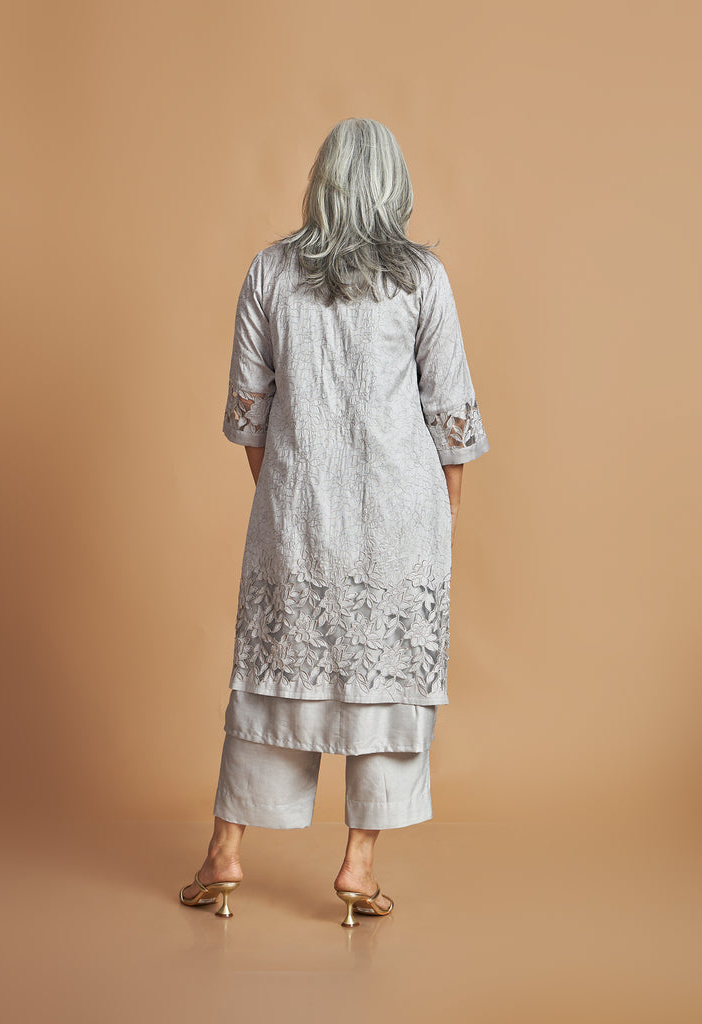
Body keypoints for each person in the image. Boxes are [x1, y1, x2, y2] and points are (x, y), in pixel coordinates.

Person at [180, 117, 491, 926]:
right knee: (387, 688)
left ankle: (224, 854)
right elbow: (450, 413)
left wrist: (286, 494)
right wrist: (445, 516)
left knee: (273, 678)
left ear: (320, 182)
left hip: (298, 512)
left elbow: (250, 415)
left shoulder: (270, 271)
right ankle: (358, 866)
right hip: (401, 518)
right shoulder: (422, 279)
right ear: (394, 188)